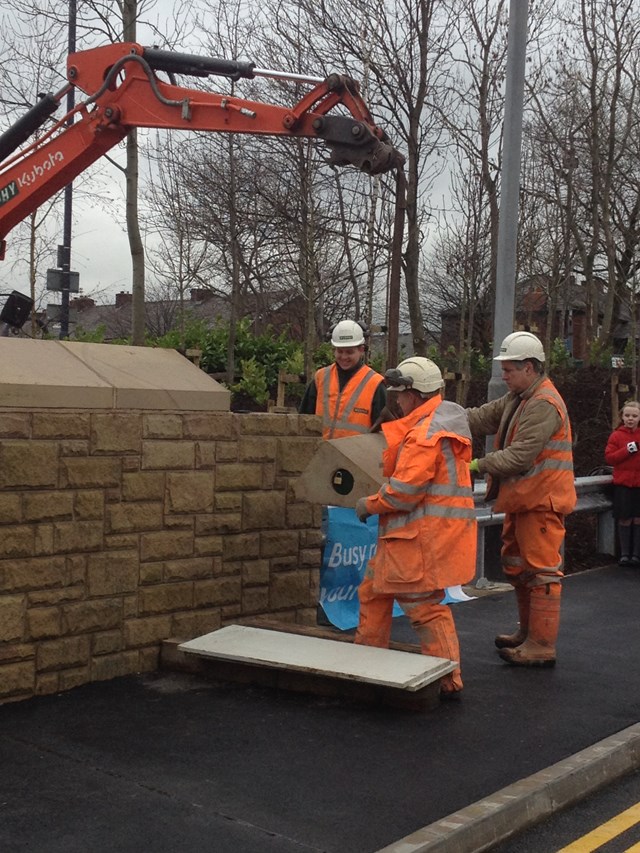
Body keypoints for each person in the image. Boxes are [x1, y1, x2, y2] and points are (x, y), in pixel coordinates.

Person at [353, 357, 477, 697]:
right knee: (374, 591)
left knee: (424, 608)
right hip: (412, 537)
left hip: (416, 540)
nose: (396, 400)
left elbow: (404, 493)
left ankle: (447, 679)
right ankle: (366, 666)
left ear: (416, 394)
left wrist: (370, 504)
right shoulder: (438, 424)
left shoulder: (424, 435)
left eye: (400, 394)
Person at [466, 331, 576, 667]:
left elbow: (519, 457)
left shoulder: (542, 403)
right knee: (517, 567)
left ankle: (541, 644)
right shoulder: (520, 396)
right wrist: (439, 415)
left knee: (541, 571)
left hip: (541, 501)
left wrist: (475, 464)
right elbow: (481, 417)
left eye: (509, 369)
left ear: (530, 367)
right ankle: (528, 634)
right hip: (524, 499)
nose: (504, 374)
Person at [298, 320, 387, 438]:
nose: (344, 357)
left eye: (349, 352)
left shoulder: (375, 384)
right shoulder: (321, 377)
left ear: (361, 349)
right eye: (340, 351)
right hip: (320, 453)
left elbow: (382, 433)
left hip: (354, 455)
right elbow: (303, 419)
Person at [604, 400, 640, 566]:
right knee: (624, 518)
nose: (630, 419)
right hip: (623, 484)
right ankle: (624, 554)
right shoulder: (616, 435)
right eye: (627, 415)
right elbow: (610, 458)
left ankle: (636, 554)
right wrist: (628, 450)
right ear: (622, 417)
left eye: (634, 416)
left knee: (638, 519)